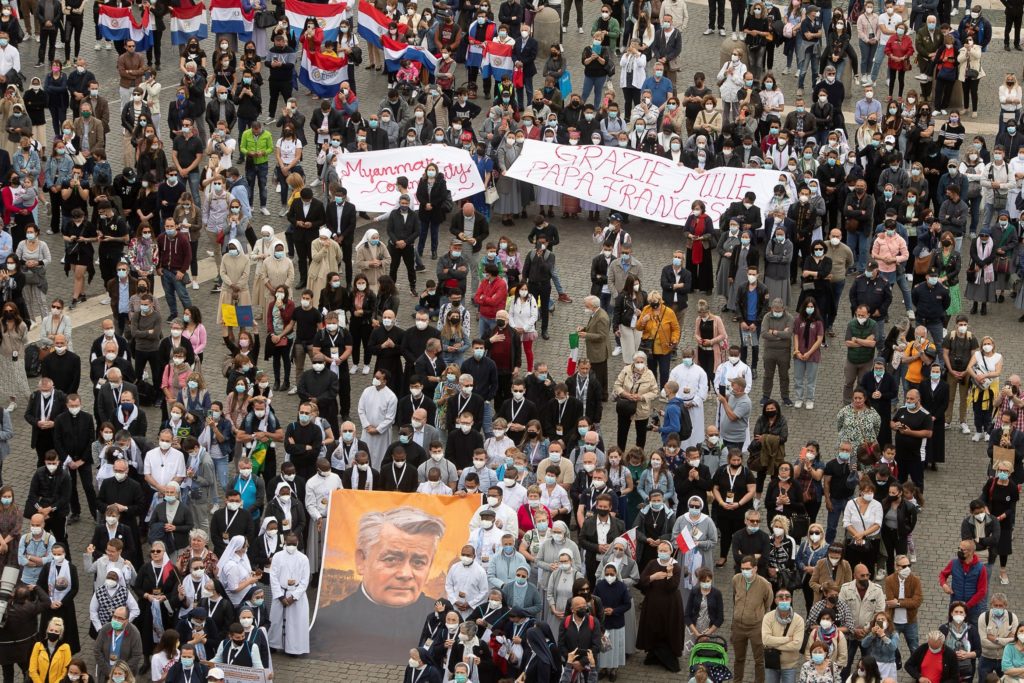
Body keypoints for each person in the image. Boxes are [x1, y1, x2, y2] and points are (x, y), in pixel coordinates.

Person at [310, 506, 445, 661]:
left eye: (419, 562)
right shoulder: (328, 621)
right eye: (391, 559)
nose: (405, 574)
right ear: (362, 560)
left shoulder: (441, 620)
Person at [635, 540, 683, 672]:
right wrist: (653, 577)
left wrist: (669, 575)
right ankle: (653, 653)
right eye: (660, 551)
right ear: (657, 552)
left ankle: (668, 656)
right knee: (653, 627)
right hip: (653, 604)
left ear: (671, 552)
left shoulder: (676, 567)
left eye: (665, 551)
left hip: (670, 606)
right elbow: (641, 582)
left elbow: (672, 587)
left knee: (668, 629)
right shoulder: (652, 564)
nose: (663, 553)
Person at [732, 555, 773, 683]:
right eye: (742, 568)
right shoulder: (736, 579)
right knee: (738, 659)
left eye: (748, 568)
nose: (745, 571)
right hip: (738, 626)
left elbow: (768, 604)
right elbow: (735, 598)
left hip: (756, 627)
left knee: (759, 661)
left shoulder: (765, 584)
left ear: (755, 568)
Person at [761, 587, 805, 683]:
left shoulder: (798, 620)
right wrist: (788, 639)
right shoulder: (768, 617)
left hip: (790, 665)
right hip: (771, 663)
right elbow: (766, 640)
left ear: (791, 599)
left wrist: (773, 645)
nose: (784, 599)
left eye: (787, 597)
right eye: (781, 597)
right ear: (775, 600)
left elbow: (796, 645)